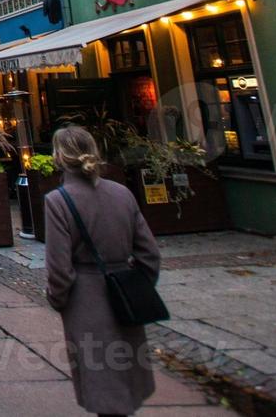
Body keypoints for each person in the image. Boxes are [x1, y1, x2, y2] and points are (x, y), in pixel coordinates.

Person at [43, 125, 161, 417]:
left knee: (102, 382)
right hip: (125, 294)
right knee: (126, 379)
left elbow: (59, 268)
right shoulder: (122, 193)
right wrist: (136, 287)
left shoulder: (58, 201)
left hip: (87, 301)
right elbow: (150, 254)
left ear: (59, 156)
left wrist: (58, 299)